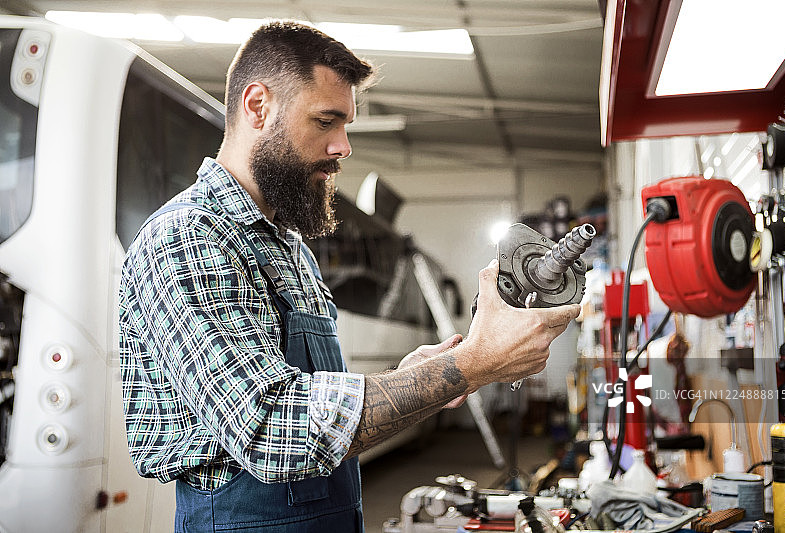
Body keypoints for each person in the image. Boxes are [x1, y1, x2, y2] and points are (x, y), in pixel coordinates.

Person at [119, 20, 580, 533]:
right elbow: (272, 427)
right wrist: (470, 366)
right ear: (257, 106)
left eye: (346, 125)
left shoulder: (290, 247)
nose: (343, 146)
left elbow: (319, 404)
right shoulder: (189, 238)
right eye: (326, 121)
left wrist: (415, 377)